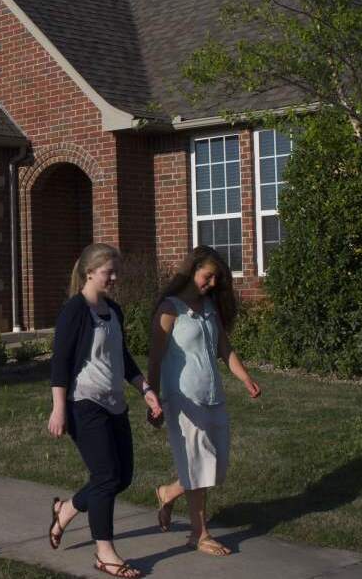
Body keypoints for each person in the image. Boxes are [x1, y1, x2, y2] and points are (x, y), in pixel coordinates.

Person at [47, 243, 163, 579]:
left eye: (115, 271)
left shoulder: (113, 310)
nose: (114, 277)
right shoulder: (75, 310)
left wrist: (146, 390)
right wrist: (58, 409)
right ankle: (105, 553)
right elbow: (60, 362)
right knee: (106, 477)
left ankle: (66, 510)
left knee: (121, 477)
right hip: (85, 404)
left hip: (115, 404)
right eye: (108, 272)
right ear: (89, 272)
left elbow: (121, 357)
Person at [147, 246, 262, 556]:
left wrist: (245, 377)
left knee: (217, 465)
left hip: (212, 395)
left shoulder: (209, 306)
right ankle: (199, 535)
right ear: (192, 270)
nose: (211, 283)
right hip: (182, 398)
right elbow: (155, 359)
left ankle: (168, 493)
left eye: (216, 279)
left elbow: (224, 347)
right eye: (207, 276)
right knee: (199, 465)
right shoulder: (169, 310)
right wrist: (152, 398)